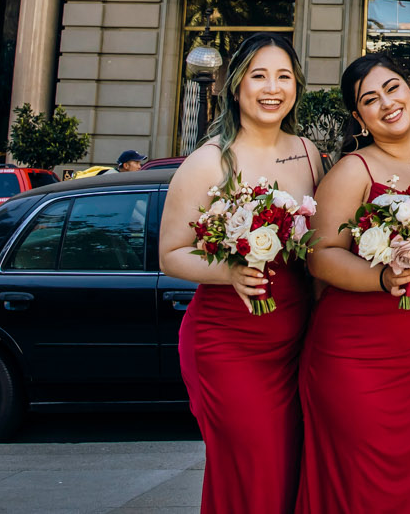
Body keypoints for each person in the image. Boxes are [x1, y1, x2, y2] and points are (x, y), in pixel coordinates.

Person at [160, 34, 322, 514]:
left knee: (290, 468)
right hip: (230, 344)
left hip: (297, 341)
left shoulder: (310, 154)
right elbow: (170, 254)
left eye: (283, 76)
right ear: (236, 87)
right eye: (259, 75)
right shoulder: (209, 161)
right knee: (254, 468)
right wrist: (228, 270)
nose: (272, 87)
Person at [299, 54, 410, 514]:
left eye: (393, 88)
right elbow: (319, 256)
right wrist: (381, 276)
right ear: (359, 117)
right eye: (370, 100)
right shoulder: (354, 170)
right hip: (357, 355)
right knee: (364, 489)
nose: (387, 103)